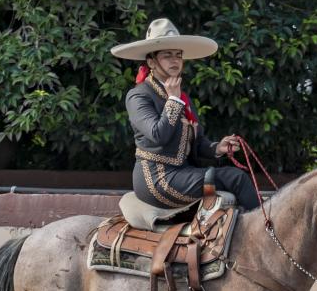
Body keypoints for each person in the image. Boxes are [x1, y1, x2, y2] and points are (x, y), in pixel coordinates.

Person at [111, 17, 260, 214]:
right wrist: (173, 101)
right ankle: (267, 232)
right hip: (156, 179)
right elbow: (158, 135)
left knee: (235, 176)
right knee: (235, 178)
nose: (174, 60)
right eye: (167, 55)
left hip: (184, 174)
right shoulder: (138, 95)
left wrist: (218, 148)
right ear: (151, 62)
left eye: (178, 55)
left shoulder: (182, 98)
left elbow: (197, 145)